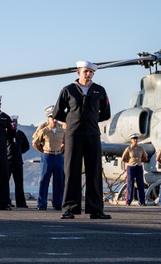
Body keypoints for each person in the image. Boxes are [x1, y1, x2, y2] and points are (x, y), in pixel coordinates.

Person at [52, 60, 112, 219]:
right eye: (86, 71)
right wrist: (72, 120)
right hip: (73, 134)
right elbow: (57, 112)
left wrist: (91, 119)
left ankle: (96, 210)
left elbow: (106, 112)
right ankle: (69, 209)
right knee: (72, 170)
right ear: (78, 72)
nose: (89, 74)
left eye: (91, 72)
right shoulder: (68, 90)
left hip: (92, 134)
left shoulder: (99, 90)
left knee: (94, 171)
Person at [31, 106, 65, 211]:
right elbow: (35, 143)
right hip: (47, 156)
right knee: (44, 180)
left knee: (59, 180)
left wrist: (59, 150)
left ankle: (58, 203)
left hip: (58, 156)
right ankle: (41, 204)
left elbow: (65, 142)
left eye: (56, 117)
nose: (55, 120)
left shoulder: (61, 130)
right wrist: (44, 152)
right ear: (48, 118)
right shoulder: (44, 130)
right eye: (52, 117)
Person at [8, 115, 30, 208]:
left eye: (15, 122)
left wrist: (19, 152)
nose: (14, 123)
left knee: (19, 183)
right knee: (5, 183)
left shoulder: (21, 134)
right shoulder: (6, 133)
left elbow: (26, 146)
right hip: (7, 161)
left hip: (18, 161)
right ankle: (6, 202)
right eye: (12, 122)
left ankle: (21, 203)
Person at [120, 133, 149, 206]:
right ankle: (128, 201)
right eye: (134, 139)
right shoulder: (129, 149)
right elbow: (123, 158)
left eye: (136, 139)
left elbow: (145, 157)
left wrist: (140, 161)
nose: (135, 140)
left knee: (140, 184)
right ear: (131, 140)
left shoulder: (141, 149)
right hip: (131, 167)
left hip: (139, 166)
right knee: (130, 184)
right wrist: (129, 162)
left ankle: (142, 201)